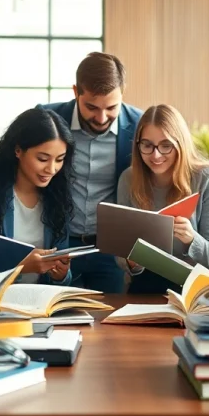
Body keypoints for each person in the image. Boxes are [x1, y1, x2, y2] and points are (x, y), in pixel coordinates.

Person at [39, 52, 143, 293]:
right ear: (76, 91)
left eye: (111, 107)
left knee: (108, 320)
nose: (101, 117)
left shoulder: (140, 126)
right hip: (59, 245)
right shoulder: (47, 119)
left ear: (122, 92)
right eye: (91, 107)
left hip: (111, 248)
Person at [116, 104, 209, 292]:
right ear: (138, 144)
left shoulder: (208, 178)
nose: (156, 155)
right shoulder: (129, 178)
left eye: (166, 146)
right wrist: (132, 262)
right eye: (147, 145)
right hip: (144, 286)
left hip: (195, 287)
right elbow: (120, 254)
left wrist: (192, 239)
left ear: (180, 144)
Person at [0, 109, 77, 284]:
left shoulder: (58, 195)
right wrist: (20, 265)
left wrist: (61, 275)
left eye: (60, 159)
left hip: (40, 301)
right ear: (18, 150)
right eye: (43, 159)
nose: (51, 169)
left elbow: (63, 275)